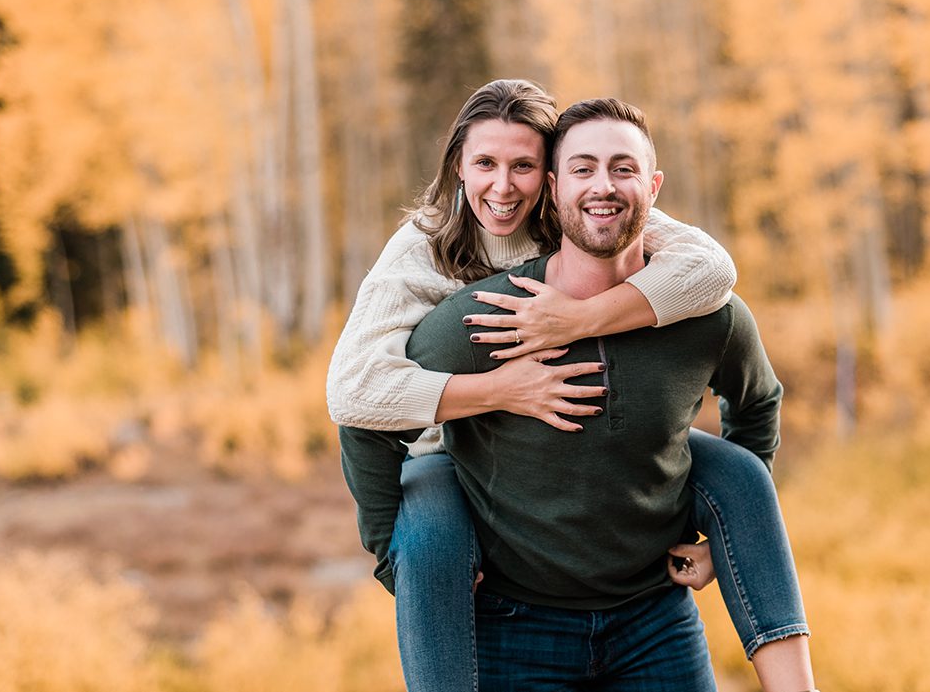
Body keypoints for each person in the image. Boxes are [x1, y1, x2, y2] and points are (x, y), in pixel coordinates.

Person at [329, 81, 814, 690]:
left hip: (649, 610)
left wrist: (582, 318)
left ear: (547, 181)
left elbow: (715, 274)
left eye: (524, 166)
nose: (503, 188)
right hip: (451, 444)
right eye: (485, 163)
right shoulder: (431, 256)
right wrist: (503, 392)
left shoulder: (603, 211)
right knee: (428, 544)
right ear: (458, 166)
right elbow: (355, 397)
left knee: (737, 474)